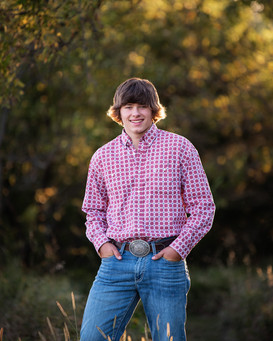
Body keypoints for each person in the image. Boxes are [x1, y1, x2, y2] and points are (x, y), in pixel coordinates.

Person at [80, 78, 215, 341]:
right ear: (118, 112)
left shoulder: (180, 148)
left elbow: (203, 208)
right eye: (128, 106)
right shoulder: (102, 157)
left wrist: (177, 250)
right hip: (116, 263)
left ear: (154, 110)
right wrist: (102, 246)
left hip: (165, 263)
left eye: (142, 106)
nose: (135, 113)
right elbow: (94, 212)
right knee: (91, 338)